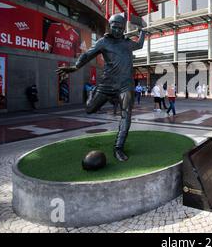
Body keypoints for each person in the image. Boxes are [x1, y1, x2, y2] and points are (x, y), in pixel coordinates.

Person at [56, 13, 145, 162]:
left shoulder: (128, 43)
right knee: (89, 109)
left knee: (127, 113)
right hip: (107, 84)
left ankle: (118, 148)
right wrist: (75, 67)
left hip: (125, 85)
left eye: (120, 28)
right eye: (114, 27)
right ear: (110, 27)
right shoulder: (103, 42)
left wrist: (143, 31)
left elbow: (140, 44)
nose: (117, 31)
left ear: (124, 29)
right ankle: (92, 92)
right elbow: (87, 55)